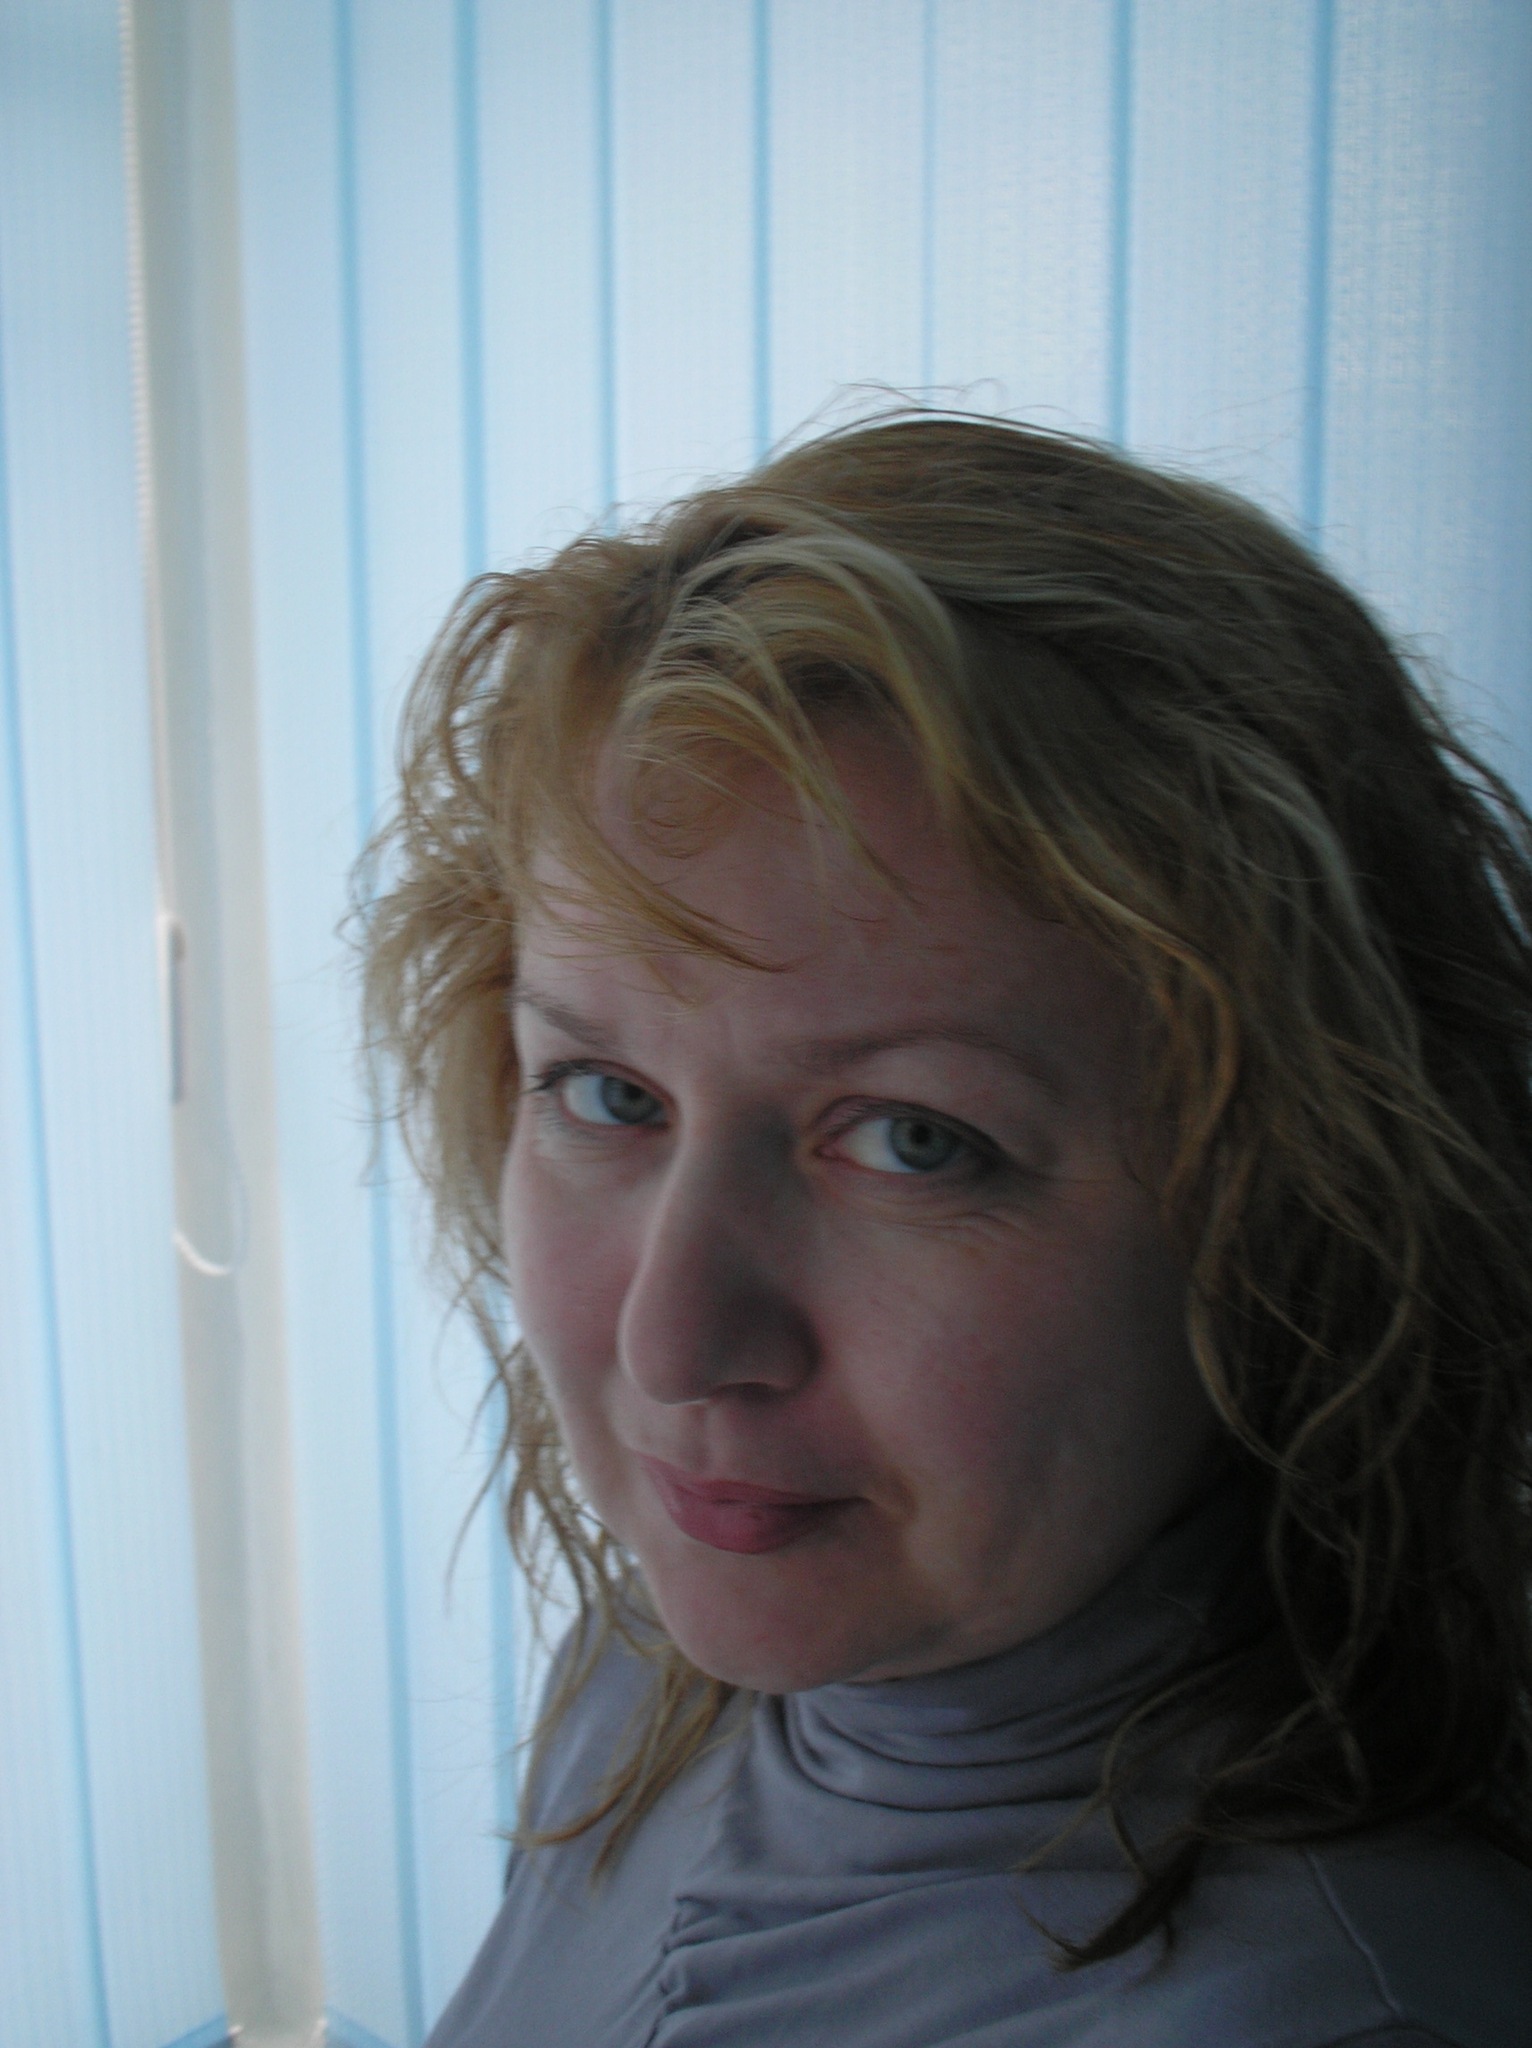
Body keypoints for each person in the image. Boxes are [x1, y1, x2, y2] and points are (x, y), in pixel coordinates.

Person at [361, 416, 1532, 2046]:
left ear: (1301, 1214)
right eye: (608, 1095)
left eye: (915, 1142)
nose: (671, 1345)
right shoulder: (666, 1664)